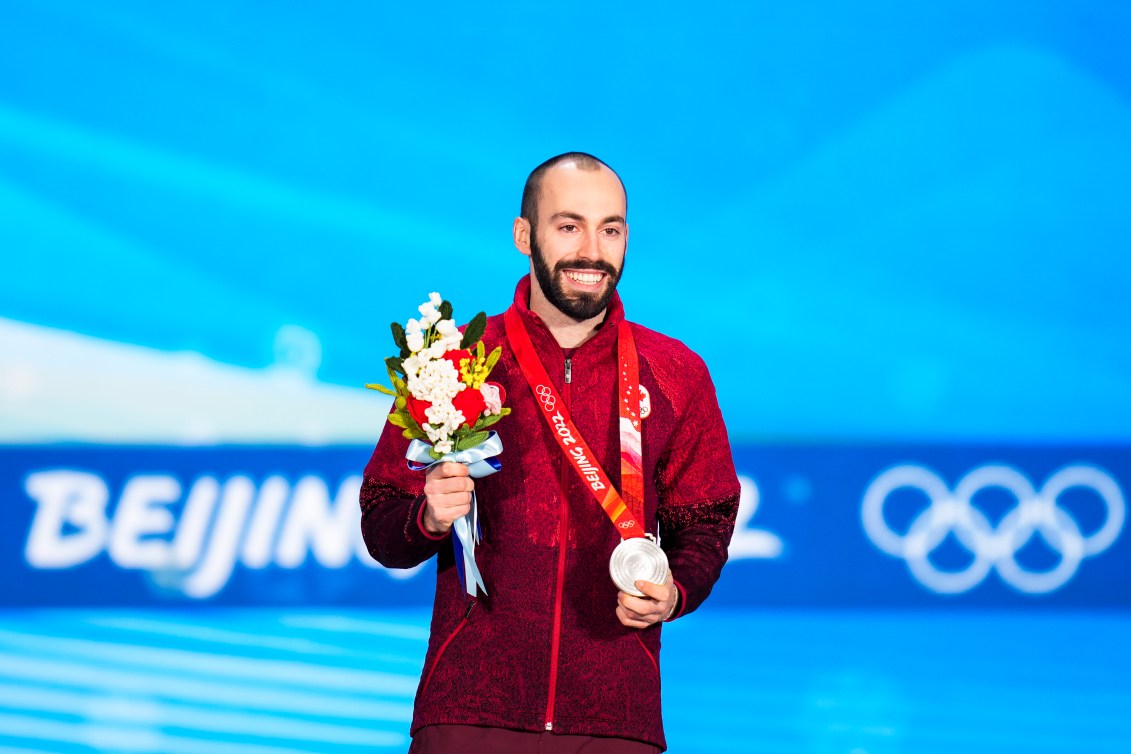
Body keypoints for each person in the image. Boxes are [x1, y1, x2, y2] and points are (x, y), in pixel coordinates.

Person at [360, 152, 740, 753]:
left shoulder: (676, 374)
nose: (593, 250)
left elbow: (705, 522)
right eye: (569, 226)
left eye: (609, 229)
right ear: (523, 235)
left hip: (615, 716)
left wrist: (674, 593)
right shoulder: (452, 363)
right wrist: (428, 516)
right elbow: (383, 521)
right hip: (468, 710)